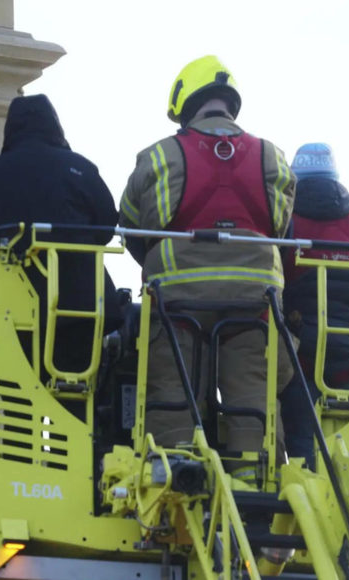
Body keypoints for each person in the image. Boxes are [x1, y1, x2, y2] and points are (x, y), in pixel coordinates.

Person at [118, 56, 296, 473]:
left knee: (173, 392)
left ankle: (176, 473)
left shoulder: (159, 156)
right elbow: (282, 226)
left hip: (177, 301)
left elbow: (129, 224)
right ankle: (253, 479)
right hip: (255, 299)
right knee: (253, 394)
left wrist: (161, 263)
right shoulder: (272, 156)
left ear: (184, 105)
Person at [0, 94, 121, 378]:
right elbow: (106, 227)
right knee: (76, 404)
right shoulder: (79, 168)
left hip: (8, 311)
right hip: (80, 307)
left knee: (13, 406)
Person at [279, 143, 349, 469]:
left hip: (299, 355)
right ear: (335, 177)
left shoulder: (284, 224)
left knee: (301, 435)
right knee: (347, 437)